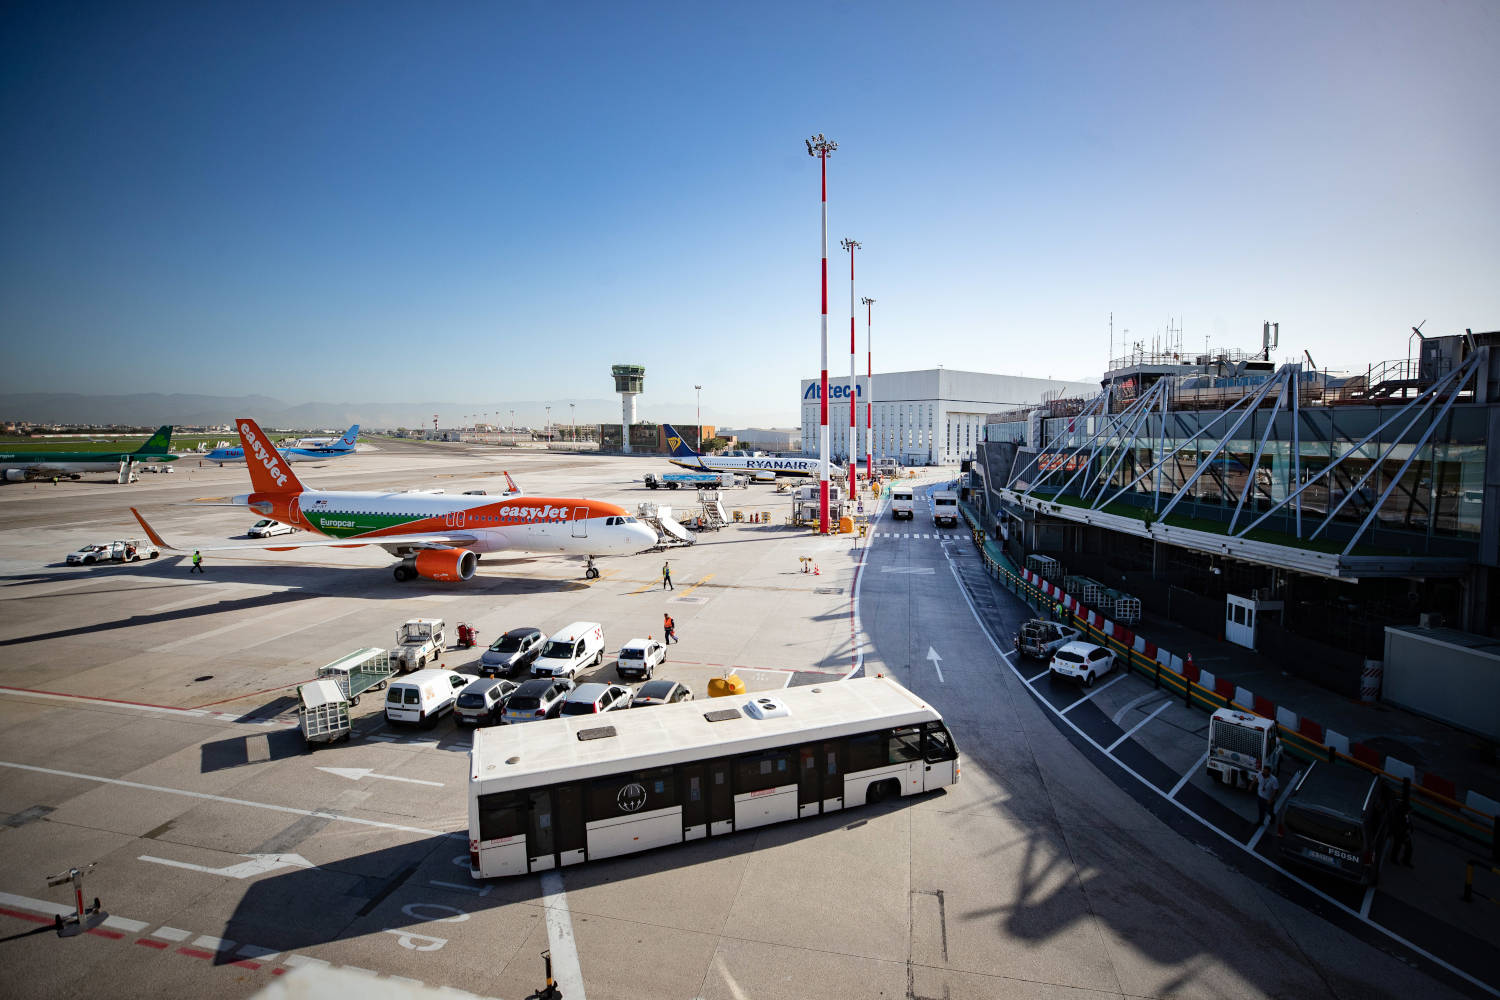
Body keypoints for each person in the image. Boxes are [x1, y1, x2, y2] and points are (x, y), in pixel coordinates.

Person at [1389, 799, 1414, 867]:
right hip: (1399, 833)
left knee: (1409, 847)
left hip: (1404, 833)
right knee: (1398, 845)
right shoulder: (1400, 816)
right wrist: (1405, 834)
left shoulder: (1406, 816)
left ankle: (1405, 860)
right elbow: (1398, 826)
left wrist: (1409, 831)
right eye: (1409, 811)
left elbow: (1410, 824)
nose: (1409, 813)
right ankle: (1394, 858)